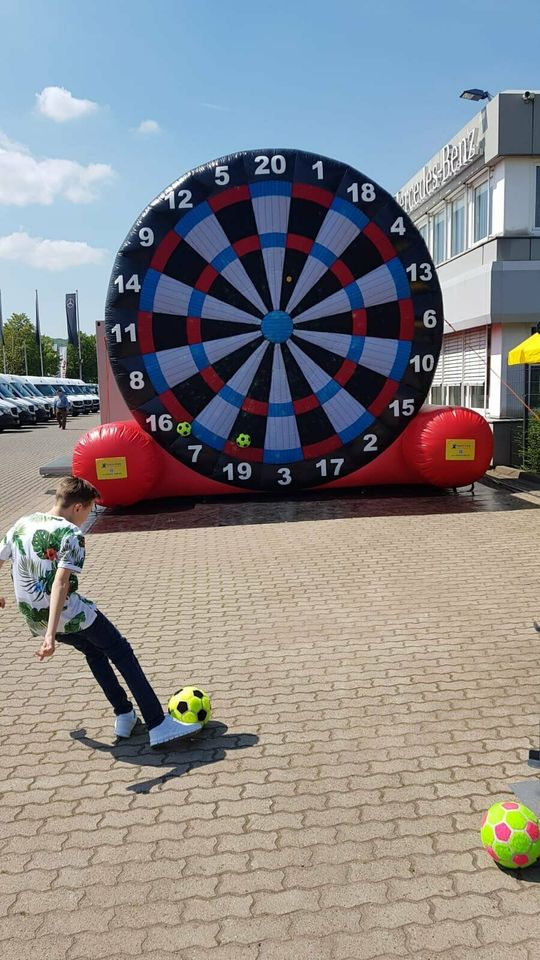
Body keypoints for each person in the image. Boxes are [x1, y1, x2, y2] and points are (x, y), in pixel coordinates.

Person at [0, 476, 202, 749]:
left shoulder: (22, 524)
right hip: (66, 615)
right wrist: (50, 635)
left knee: (94, 651)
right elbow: (61, 582)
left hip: (33, 616)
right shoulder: (70, 534)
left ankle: (124, 714)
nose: (86, 519)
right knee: (121, 652)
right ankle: (157, 724)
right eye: (90, 510)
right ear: (78, 508)